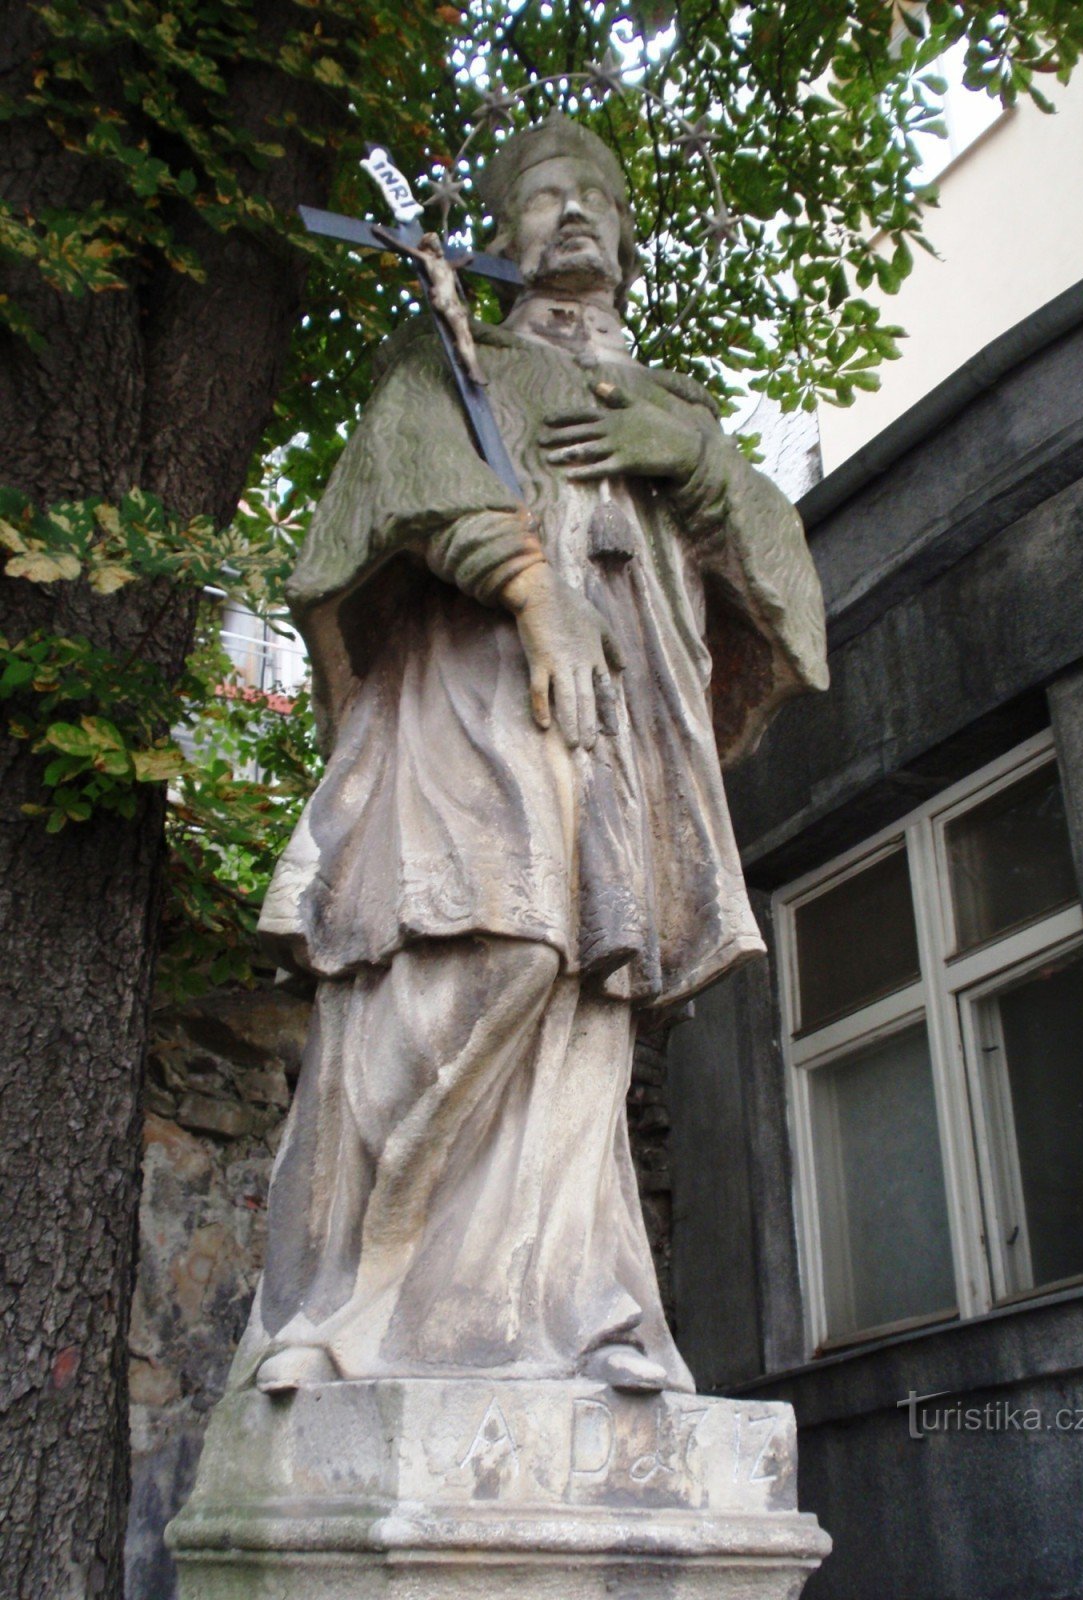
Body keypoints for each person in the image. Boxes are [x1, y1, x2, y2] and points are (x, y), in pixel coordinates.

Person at [230, 115, 827, 1397]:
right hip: (472, 691)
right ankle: (351, 1298)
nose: (571, 213)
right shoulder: (451, 355)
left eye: (595, 196)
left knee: (586, 999)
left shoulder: (673, 413)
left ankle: (582, 1311)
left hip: (623, 724)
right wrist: (524, 580)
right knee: (478, 943)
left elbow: (783, 585)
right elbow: (399, 475)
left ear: (625, 236)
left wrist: (704, 465)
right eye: (542, 193)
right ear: (498, 230)